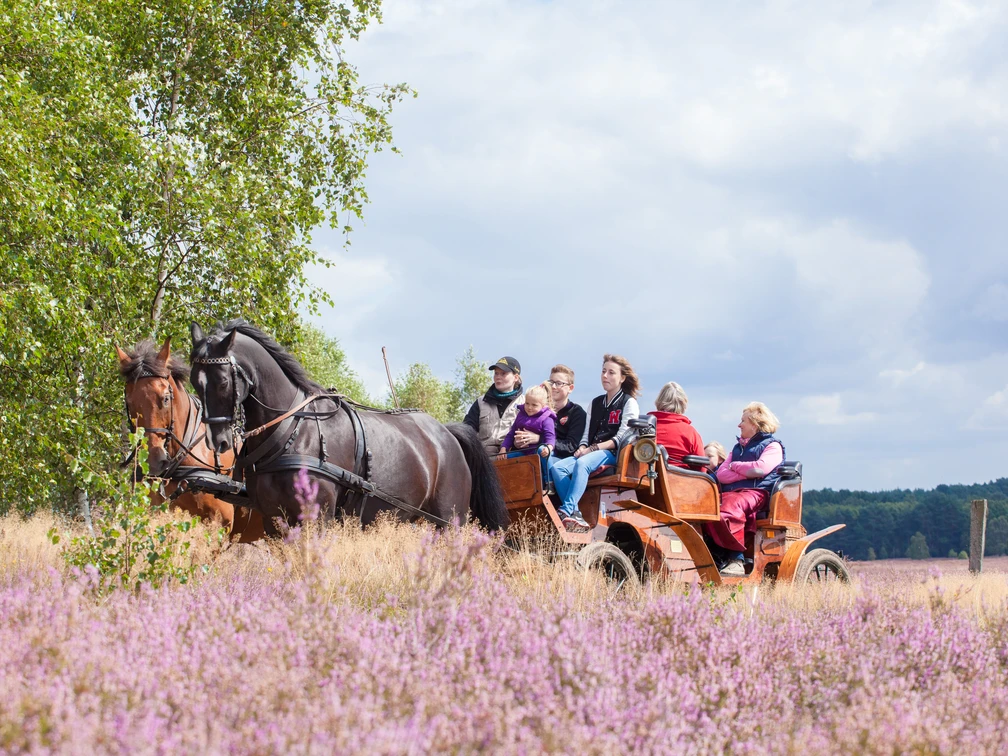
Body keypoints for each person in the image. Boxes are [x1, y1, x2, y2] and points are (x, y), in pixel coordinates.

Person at [549, 355, 640, 533]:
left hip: (613, 454)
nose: (605, 375)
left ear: (622, 378)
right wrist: (583, 447)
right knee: (556, 467)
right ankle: (575, 513)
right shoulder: (596, 402)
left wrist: (593, 449)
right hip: (592, 452)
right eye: (603, 371)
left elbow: (622, 439)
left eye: (611, 372)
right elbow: (586, 435)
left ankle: (567, 509)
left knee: (583, 463)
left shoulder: (629, 403)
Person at [706, 402, 785, 576]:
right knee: (706, 508)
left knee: (728, 508)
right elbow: (721, 475)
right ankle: (716, 556)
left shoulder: (773, 446)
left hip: (758, 493)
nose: (739, 425)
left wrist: (734, 466)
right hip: (732, 492)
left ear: (755, 424)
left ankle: (737, 559)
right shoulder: (737, 448)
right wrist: (744, 472)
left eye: (743, 421)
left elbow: (760, 469)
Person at [512, 364, 586, 464]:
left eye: (559, 383)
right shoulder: (535, 409)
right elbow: (517, 432)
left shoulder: (577, 413)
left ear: (570, 388)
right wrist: (517, 442)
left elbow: (571, 446)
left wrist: (539, 439)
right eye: (551, 382)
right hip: (529, 457)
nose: (554, 387)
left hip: (560, 461)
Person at [463, 356, 524, 455]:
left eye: (503, 373)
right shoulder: (480, 402)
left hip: (514, 458)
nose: (498, 377)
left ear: (515, 377)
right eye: (496, 373)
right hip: (484, 459)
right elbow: (467, 430)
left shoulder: (526, 403)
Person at [498, 382, 556, 479]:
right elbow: (511, 433)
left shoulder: (547, 418)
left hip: (538, 452)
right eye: (527, 403)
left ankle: (549, 481)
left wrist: (549, 447)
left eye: (534, 405)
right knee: (504, 458)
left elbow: (550, 436)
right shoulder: (521, 415)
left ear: (542, 405)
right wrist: (503, 448)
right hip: (524, 452)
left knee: (543, 451)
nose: (529, 407)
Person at [647, 381, 704, 468]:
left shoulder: (645, 427)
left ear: (659, 400)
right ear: (683, 403)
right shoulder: (690, 432)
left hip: (646, 478)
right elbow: (701, 466)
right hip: (680, 480)